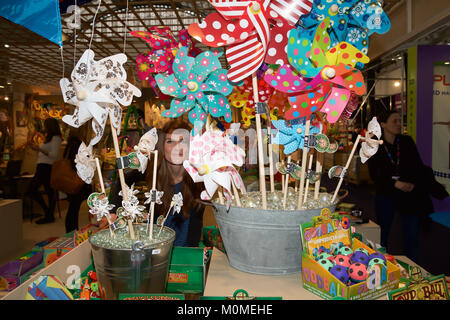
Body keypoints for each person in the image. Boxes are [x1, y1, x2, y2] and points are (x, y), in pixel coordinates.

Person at [109, 119, 205, 246]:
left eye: (183, 141)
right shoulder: (152, 170)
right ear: (162, 146)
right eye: (170, 141)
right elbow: (121, 180)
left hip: (186, 252)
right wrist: (114, 210)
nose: (177, 147)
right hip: (155, 248)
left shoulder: (200, 177)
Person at [368, 110, 434, 262]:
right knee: (382, 235)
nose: (399, 124)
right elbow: (374, 175)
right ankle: (380, 266)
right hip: (386, 194)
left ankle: (412, 269)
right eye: (394, 121)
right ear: (383, 125)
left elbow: (417, 166)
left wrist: (413, 184)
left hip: (408, 195)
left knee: (412, 235)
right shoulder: (374, 144)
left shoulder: (406, 142)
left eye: (400, 121)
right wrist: (395, 183)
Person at [26, 117, 62, 224]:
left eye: (45, 125)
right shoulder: (49, 138)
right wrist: (38, 149)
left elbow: (54, 155)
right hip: (42, 166)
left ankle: (48, 213)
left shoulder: (56, 138)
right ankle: (48, 213)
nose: (44, 127)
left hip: (47, 167)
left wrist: (39, 149)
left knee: (34, 190)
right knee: (48, 191)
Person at [63, 128, 92, 233]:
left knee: (73, 207)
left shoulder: (70, 143)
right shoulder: (78, 144)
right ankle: (72, 230)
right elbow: (78, 162)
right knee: (74, 207)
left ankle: (71, 230)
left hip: (71, 179)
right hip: (77, 179)